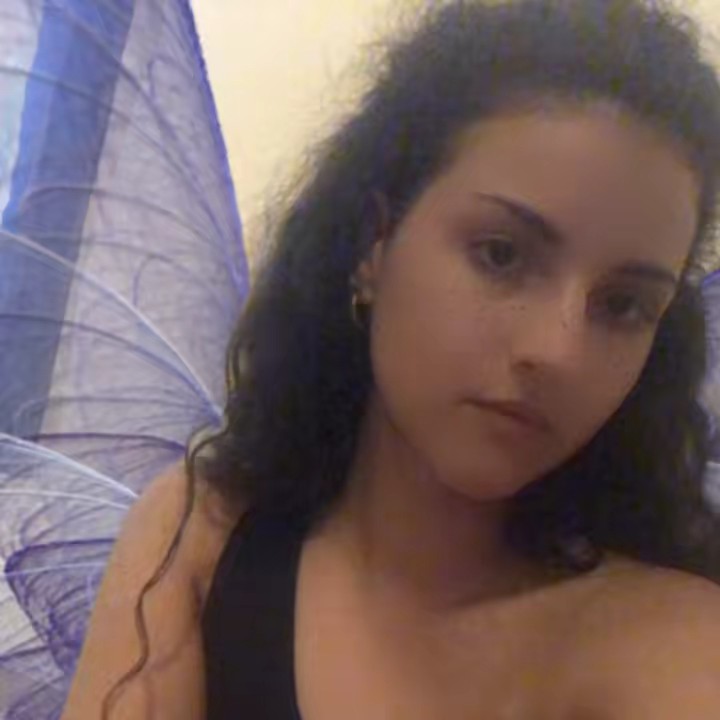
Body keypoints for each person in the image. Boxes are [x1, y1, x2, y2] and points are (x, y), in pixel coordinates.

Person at [61, 0, 720, 717]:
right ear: (374, 243)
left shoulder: (674, 643)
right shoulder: (201, 535)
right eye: (502, 255)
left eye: (624, 305)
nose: (557, 351)